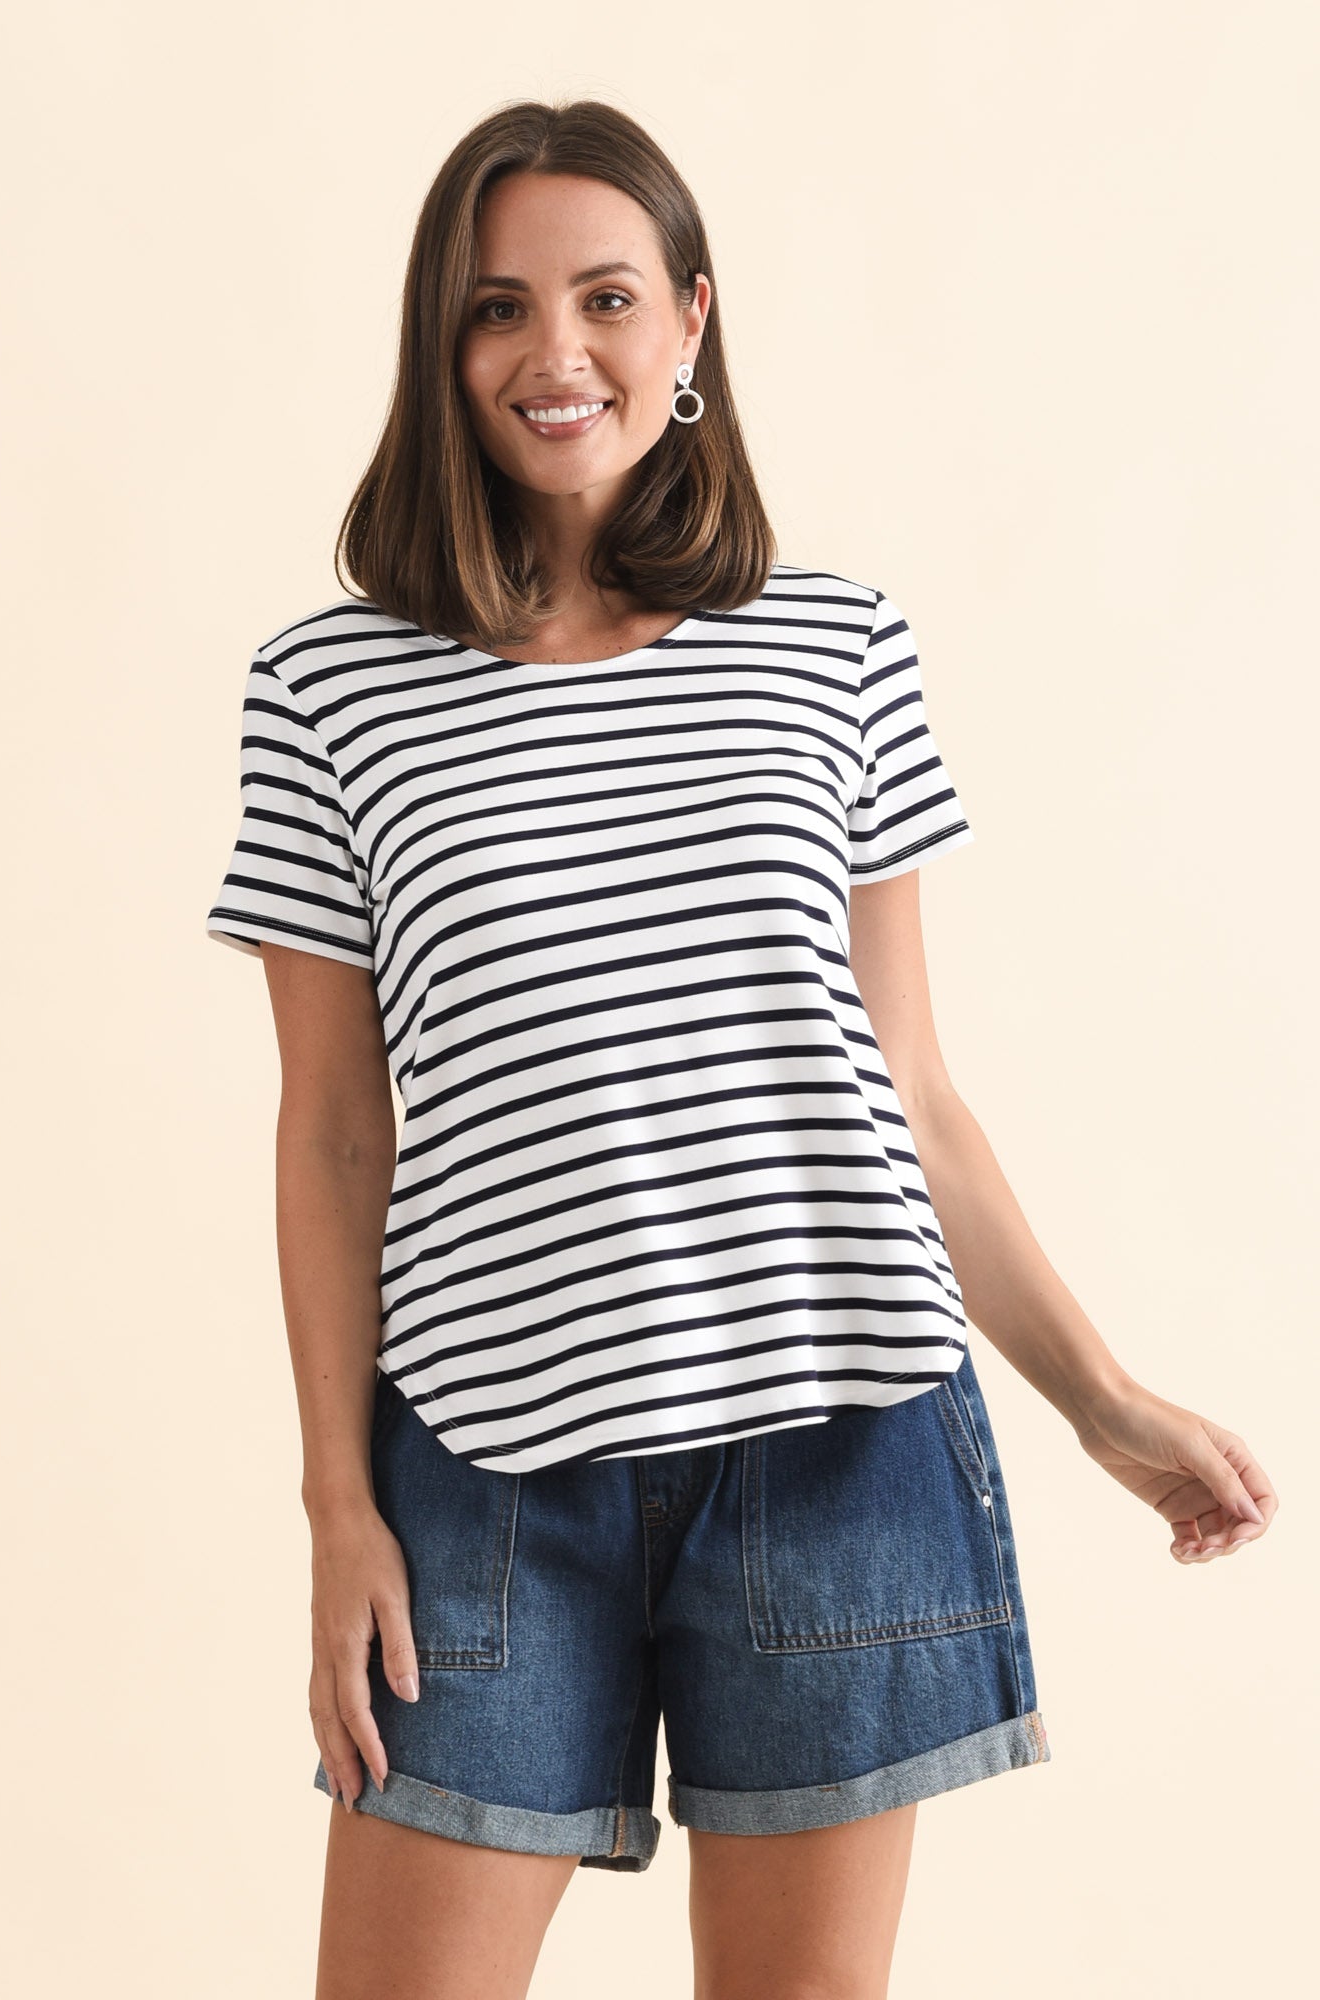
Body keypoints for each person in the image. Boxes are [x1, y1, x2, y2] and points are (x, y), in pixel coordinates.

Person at [205, 98, 1277, 2000]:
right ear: (441, 343)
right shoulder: (329, 689)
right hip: (482, 1470)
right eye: (498, 307)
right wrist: (337, 1505)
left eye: (608, 297)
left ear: (692, 319)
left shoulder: (833, 648)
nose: (556, 351)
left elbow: (908, 1090)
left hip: (835, 1452)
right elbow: (334, 1136)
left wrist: (1103, 1402)